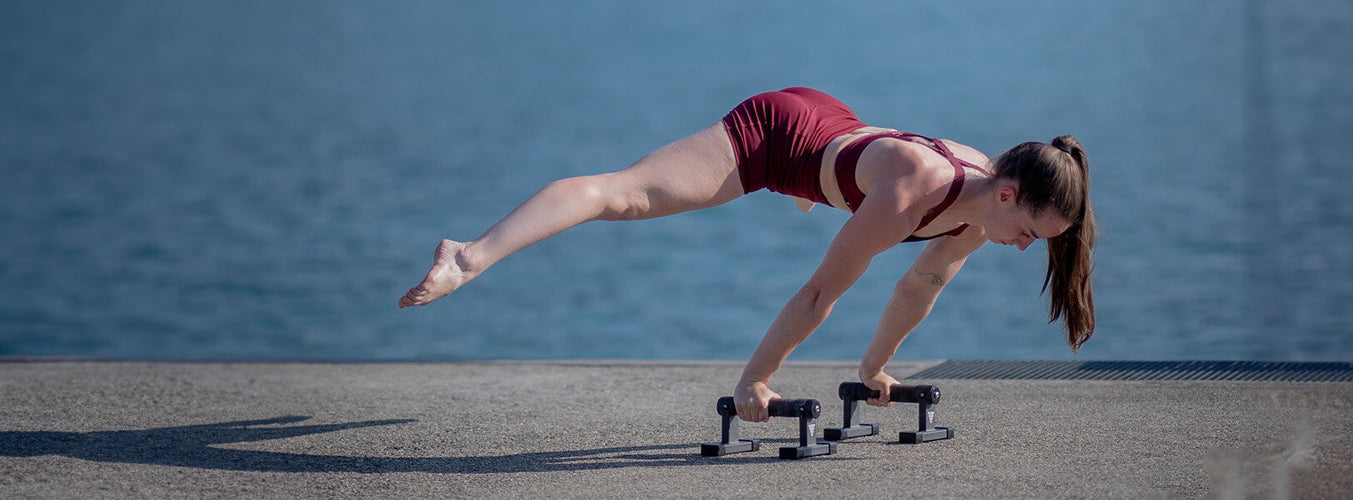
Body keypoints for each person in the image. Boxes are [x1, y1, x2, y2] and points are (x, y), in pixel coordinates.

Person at [398, 87, 1096, 422]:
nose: (1024, 250)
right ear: (1006, 194)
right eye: (1031, 233)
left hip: (841, 140)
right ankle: (468, 255)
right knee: (626, 196)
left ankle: (821, 193)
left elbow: (921, 285)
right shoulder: (922, 191)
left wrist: (875, 369)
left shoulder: (977, 216)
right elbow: (821, 294)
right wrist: (754, 382)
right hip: (780, 133)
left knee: (862, 217)